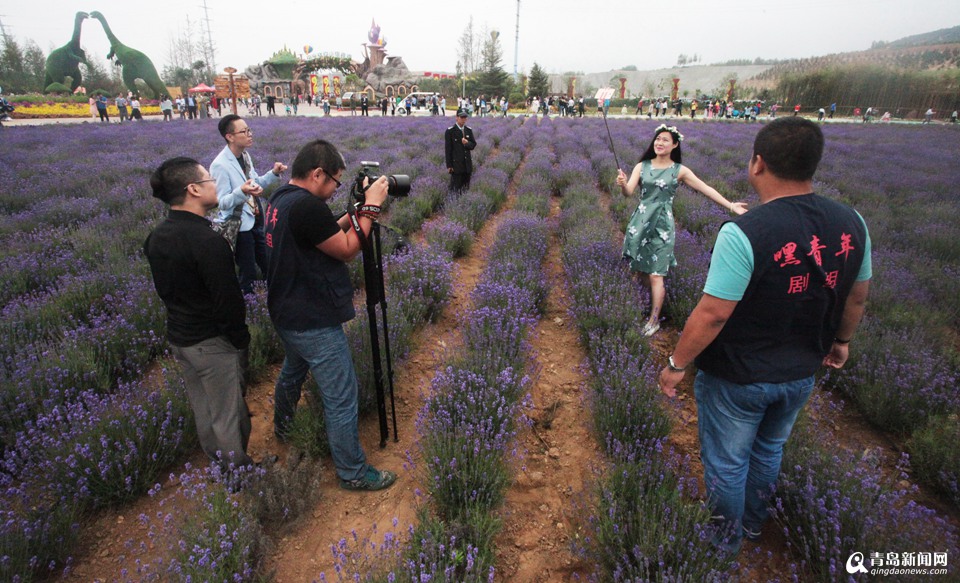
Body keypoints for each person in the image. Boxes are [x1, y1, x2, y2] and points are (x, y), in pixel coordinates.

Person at [658, 117, 872, 556]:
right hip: (801, 370)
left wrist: (676, 365)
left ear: (757, 163)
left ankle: (723, 540)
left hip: (738, 376)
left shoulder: (745, 232)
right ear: (814, 164)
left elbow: (713, 313)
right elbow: (857, 296)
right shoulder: (853, 223)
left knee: (727, 462)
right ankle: (753, 525)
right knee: (769, 449)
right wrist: (841, 342)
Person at [264, 139, 398, 491]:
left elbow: (320, 233)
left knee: (293, 371)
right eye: (335, 182)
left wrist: (354, 212)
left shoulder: (282, 198)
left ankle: (284, 427)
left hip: (286, 311)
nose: (336, 188)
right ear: (317, 173)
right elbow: (348, 249)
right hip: (312, 318)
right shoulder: (307, 207)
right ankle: (353, 472)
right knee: (341, 395)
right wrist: (370, 208)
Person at [143, 157, 257, 471]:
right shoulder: (208, 242)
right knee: (227, 414)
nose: (215, 183)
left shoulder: (157, 237)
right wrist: (239, 339)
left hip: (181, 338)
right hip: (212, 341)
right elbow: (227, 300)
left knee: (204, 410)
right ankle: (241, 475)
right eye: (209, 179)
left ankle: (219, 465)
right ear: (193, 189)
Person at [616, 124, 747, 337]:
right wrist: (622, 183)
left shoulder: (679, 170)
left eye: (665, 140)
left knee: (656, 275)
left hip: (662, 227)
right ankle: (634, 307)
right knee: (638, 270)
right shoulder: (642, 166)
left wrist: (730, 205)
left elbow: (705, 188)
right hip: (639, 223)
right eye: (658, 139)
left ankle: (653, 320)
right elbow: (628, 192)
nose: (660, 143)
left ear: (675, 144)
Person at [211, 114, 288, 294]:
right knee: (248, 272)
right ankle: (249, 306)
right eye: (244, 131)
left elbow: (254, 182)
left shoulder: (244, 156)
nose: (249, 134)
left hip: (256, 219)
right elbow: (222, 203)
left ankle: (276, 299)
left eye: (249, 130)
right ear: (230, 137)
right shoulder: (220, 165)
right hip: (240, 227)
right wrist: (243, 191)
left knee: (269, 263)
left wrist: (273, 173)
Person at [445, 108, 477, 194]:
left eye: (465, 117)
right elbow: (448, 150)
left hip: (467, 166)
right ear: (457, 117)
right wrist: (449, 165)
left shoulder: (468, 130)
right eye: (461, 117)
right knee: (455, 189)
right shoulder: (450, 131)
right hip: (456, 166)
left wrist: (467, 143)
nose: (464, 119)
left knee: (466, 189)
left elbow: (473, 145)